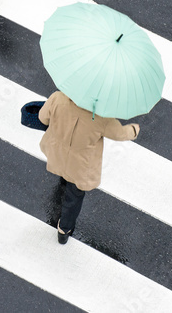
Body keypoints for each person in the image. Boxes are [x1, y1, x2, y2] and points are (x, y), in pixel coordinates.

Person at [38, 91, 139, 244]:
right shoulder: (102, 118)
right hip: (81, 166)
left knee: (63, 170)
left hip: (57, 152)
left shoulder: (58, 98)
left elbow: (42, 117)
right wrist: (134, 130)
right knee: (74, 196)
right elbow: (120, 134)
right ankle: (64, 230)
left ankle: (63, 180)